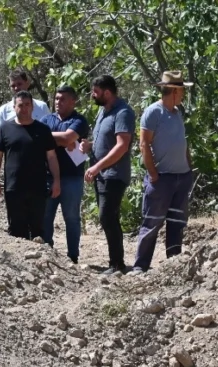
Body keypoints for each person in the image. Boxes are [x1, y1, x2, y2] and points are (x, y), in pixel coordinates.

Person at [132, 71, 194, 275]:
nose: (183, 93)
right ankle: (140, 267)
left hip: (181, 177)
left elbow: (182, 142)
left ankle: (173, 265)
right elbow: (144, 144)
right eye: (182, 90)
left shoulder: (177, 113)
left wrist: (188, 166)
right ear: (174, 91)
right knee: (152, 222)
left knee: (176, 222)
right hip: (163, 178)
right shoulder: (153, 112)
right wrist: (154, 174)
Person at [0, 91, 61, 240]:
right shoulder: (5, 128)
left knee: (38, 229)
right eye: (20, 105)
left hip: (38, 187)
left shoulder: (43, 130)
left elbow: (52, 157)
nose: (24, 108)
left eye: (27, 105)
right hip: (13, 187)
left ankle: (38, 261)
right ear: (14, 107)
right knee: (16, 229)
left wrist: (56, 181)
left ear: (33, 106)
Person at [83, 75, 135, 275]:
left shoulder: (123, 113)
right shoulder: (103, 112)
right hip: (102, 175)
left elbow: (121, 146)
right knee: (109, 218)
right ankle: (116, 263)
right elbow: (103, 143)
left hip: (114, 174)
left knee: (107, 217)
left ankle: (117, 265)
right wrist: (88, 146)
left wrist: (97, 167)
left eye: (95, 92)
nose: (92, 95)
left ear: (107, 92)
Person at [40, 85, 89, 263]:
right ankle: (47, 253)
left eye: (62, 99)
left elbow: (67, 139)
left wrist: (57, 138)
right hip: (47, 176)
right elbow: (42, 137)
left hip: (72, 176)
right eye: (56, 98)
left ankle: (73, 256)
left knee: (71, 217)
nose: (58, 102)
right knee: (46, 215)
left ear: (72, 101)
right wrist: (61, 138)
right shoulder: (46, 119)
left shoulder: (80, 120)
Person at [0, 70, 50, 137]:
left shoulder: (42, 106)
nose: (16, 88)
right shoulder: (4, 109)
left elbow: (50, 130)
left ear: (27, 83)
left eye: (19, 84)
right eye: (13, 86)